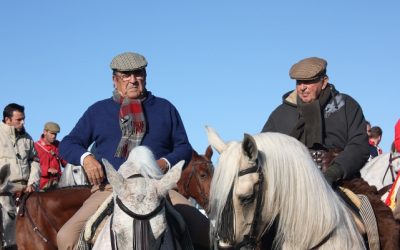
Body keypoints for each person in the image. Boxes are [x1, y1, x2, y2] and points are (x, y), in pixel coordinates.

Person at [57, 52, 194, 249]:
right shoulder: (98, 111)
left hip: (157, 189)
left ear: (145, 76)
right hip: (111, 188)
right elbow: (68, 143)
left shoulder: (165, 108)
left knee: (203, 231)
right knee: (66, 238)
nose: (132, 80)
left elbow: (183, 147)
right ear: (115, 80)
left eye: (137, 74)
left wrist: (165, 163)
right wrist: (86, 158)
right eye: (125, 75)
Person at [261, 57, 399, 249]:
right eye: (299, 82)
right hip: (293, 185)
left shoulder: (347, 106)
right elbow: (264, 151)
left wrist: (334, 171)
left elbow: (359, 144)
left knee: (388, 226)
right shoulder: (281, 114)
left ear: (324, 81)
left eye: (309, 82)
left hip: (343, 180)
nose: (302, 87)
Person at [0, 103, 40, 246]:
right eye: (19, 119)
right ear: (7, 119)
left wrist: (32, 183)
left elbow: (35, 161)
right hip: (4, 194)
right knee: (9, 234)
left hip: (27, 191)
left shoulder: (27, 138)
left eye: (24, 119)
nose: (23, 122)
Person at [34, 121, 67, 190]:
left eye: (55, 134)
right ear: (45, 132)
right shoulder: (36, 146)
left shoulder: (58, 145)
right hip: (42, 184)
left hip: (58, 182)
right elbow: (31, 166)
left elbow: (65, 163)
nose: (54, 136)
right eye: (51, 133)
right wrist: (47, 169)